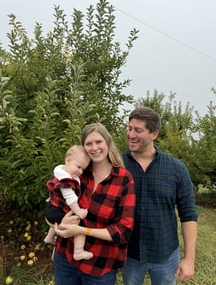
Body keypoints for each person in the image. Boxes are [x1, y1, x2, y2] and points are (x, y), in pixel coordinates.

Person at [121, 107, 198, 285]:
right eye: (129, 128)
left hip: (165, 254)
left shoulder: (177, 169)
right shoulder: (117, 165)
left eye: (138, 130)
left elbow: (188, 216)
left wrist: (189, 259)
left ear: (153, 134)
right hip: (129, 253)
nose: (131, 134)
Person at [53, 122, 136, 285]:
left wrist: (82, 231)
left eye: (98, 142)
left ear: (107, 143)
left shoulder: (123, 179)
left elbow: (123, 231)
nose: (94, 147)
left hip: (100, 265)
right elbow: (54, 202)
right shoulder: (77, 173)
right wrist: (58, 224)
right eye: (88, 143)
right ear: (83, 147)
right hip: (66, 258)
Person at [44, 145, 93, 261]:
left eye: (83, 169)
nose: (80, 171)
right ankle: (78, 251)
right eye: (78, 167)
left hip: (52, 207)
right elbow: (70, 198)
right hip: (56, 210)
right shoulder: (67, 180)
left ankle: (50, 237)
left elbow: (54, 188)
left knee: (61, 218)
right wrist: (78, 211)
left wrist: (51, 197)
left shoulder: (60, 172)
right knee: (79, 224)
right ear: (68, 160)